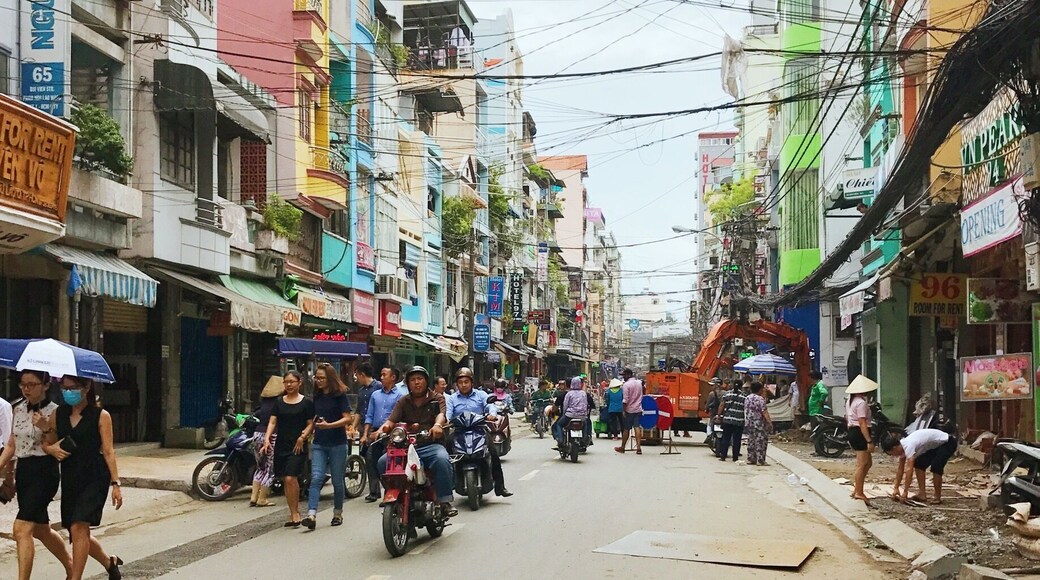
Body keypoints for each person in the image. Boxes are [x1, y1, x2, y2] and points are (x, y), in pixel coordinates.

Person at [44, 375, 123, 580]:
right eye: (64, 388)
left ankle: (75, 578)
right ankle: (109, 562)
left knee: (80, 525)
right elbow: (48, 442)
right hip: (70, 475)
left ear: (86, 387)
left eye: (73, 388)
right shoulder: (57, 414)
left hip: (95, 476)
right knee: (76, 530)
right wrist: (51, 447)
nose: (68, 392)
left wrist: (116, 483)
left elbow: (108, 451)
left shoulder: (101, 415)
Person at [0, 371, 71, 580]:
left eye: (32, 384)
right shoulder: (18, 408)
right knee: (41, 529)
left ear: (46, 385)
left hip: (44, 470)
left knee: (21, 529)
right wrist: (5, 472)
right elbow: (12, 445)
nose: (26, 389)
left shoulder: (56, 411)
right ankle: (71, 566)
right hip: (25, 472)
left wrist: (46, 427)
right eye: (23, 385)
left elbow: (60, 444)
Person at [376, 366, 456, 517]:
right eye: (412, 380)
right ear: (407, 383)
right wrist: (381, 430)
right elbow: (391, 421)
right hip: (406, 447)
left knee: (442, 459)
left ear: (426, 381)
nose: (417, 383)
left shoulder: (436, 397)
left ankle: (444, 501)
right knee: (382, 462)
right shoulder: (403, 401)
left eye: (420, 379)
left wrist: (437, 426)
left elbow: (441, 415)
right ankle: (395, 497)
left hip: (430, 444)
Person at [260, 371, 314, 528]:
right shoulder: (278, 402)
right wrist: (266, 439)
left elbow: (311, 423)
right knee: (285, 478)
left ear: (299, 383)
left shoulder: (307, 403)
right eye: (286, 382)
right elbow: (272, 422)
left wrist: (303, 436)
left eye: (292, 381)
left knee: (291, 477)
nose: (289, 384)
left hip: (298, 446)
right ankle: (292, 513)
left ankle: (296, 513)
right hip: (281, 445)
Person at [447, 368, 512, 497]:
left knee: (494, 454)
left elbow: (490, 406)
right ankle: (446, 491)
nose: (464, 385)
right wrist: (446, 420)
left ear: (472, 383)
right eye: (460, 382)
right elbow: (448, 412)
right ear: (456, 384)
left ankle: (500, 487)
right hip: (459, 431)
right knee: (445, 454)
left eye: (466, 382)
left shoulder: (481, 395)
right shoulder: (452, 399)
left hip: (479, 430)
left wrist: (492, 414)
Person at [304, 363, 353, 529]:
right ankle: (311, 514)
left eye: (322, 378)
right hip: (319, 443)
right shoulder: (317, 396)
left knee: (337, 481)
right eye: (316, 378)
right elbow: (315, 417)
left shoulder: (340, 395)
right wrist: (306, 433)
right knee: (316, 478)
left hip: (337, 443)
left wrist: (329, 425)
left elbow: (348, 418)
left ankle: (337, 512)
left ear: (330, 378)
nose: (318, 381)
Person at [883, 427, 958, 504]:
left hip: (947, 442)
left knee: (936, 466)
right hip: (935, 446)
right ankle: (922, 494)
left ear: (895, 448)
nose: (894, 456)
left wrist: (905, 492)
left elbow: (909, 470)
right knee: (919, 464)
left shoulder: (908, 445)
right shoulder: (902, 447)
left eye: (892, 453)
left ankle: (937, 497)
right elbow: (900, 469)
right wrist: (896, 488)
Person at [362, 366, 404, 503]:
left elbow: (395, 417)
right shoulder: (375, 395)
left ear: (393, 377)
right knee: (370, 459)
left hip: (391, 434)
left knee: (388, 462)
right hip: (375, 432)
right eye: (381, 374)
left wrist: (382, 431)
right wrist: (365, 434)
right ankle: (374, 491)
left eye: (384, 375)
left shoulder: (400, 396)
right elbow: (369, 415)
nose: (381, 377)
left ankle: (389, 491)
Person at [250, 376, 283, 508]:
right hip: (271, 436)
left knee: (260, 467)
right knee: (269, 469)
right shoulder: (279, 403)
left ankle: (253, 497)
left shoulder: (264, 403)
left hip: (257, 433)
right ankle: (262, 498)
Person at [845, 375, 878, 502]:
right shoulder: (861, 403)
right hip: (860, 432)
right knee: (862, 463)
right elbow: (862, 422)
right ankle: (859, 491)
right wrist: (869, 440)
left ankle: (857, 488)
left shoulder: (850, 401)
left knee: (868, 463)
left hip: (854, 430)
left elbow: (848, 418)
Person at [717, 379, 747, 462]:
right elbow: (746, 409)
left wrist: (719, 415)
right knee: (737, 440)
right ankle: (735, 457)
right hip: (739, 421)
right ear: (741, 386)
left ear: (733, 385)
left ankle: (723, 456)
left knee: (726, 438)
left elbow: (722, 405)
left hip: (727, 420)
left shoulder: (727, 394)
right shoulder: (744, 396)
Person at [744, 381, 772, 466]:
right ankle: (760, 460)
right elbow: (764, 412)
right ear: (760, 389)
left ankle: (751, 458)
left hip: (749, 422)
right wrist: (769, 422)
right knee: (760, 441)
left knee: (751, 440)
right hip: (759, 423)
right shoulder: (760, 399)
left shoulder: (747, 398)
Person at [615, 368, 643, 455]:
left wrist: (623, 411)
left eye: (624, 375)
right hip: (638, 409)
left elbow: (625, 400)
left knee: (626, 429)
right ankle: (638, 447)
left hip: (629, 410)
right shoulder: (639, 383)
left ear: (628, 375)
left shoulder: (626, 385)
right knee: (637, 427)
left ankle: (622, 447)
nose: (623, 377)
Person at [352, 364, 381, 440]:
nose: (356, 378)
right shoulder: (361, 390)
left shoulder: (379, 387)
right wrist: (353, 427)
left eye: (357, 375)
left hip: (374, 426)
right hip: (362, 425)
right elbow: (358, 410)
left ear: (362, 375)